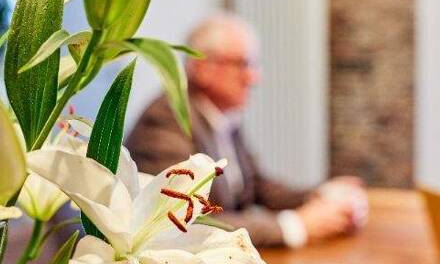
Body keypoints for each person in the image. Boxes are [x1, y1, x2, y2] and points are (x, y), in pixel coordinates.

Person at [126, 14, 367, 248]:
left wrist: (320, 196)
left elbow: (256, 186)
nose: (254, 78)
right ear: (202, 68)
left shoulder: (219, 114)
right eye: (244, 64)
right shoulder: (165, 119)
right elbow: (186, 220)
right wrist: (295, 226)